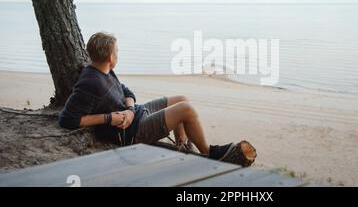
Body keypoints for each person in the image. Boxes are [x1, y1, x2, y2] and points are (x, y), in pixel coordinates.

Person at [59, 32, 234, 160]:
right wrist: (109, 118)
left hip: (137, 113)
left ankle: (183, 147)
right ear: (110, 56)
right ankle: (208, 153)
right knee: (186, 110)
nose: (118, 54)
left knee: (182, 99)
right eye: (117, 51)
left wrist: (129, 109)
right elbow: (68, 119)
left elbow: (127, 92)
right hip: (134, 132)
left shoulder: (106, 71)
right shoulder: (91, 82)